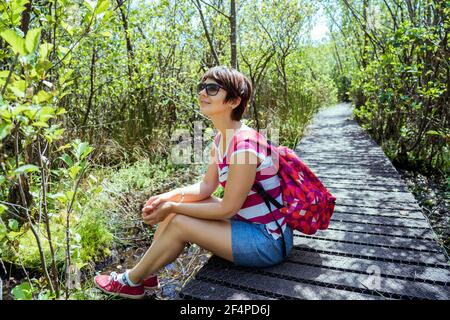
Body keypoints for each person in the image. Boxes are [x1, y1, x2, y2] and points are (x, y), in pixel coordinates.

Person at [94, 66, 293, 299]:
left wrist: (174, 207)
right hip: (247, 225)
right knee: (173, 209)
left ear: (234, 101)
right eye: (201, 87)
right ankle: (148, 273)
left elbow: (228, 208)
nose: (202, 93)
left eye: (212, 88)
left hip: (268, 241)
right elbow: (207, 186)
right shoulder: (222, 138)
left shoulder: (244, 146)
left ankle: (130, 281)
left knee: (179, 220)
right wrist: (168, 198)